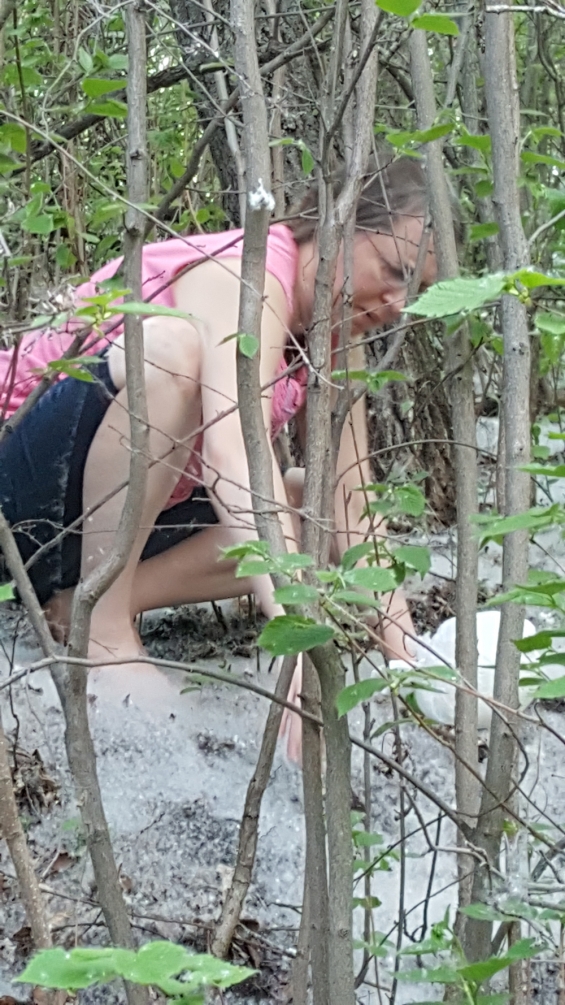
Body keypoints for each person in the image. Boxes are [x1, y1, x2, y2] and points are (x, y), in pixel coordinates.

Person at [0, 155, 437, 708]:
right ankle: (103, 634)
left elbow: (352, 497)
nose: (397, 305)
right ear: (339, 222)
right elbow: (231, 454)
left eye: (415, 290)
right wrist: (296, 636)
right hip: (20, 488)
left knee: (309, 500)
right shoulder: (246, 274)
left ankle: (78, 604)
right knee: (170, 351)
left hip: (96, 530)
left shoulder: (335, 332)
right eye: (394, 271)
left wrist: (406, 658)